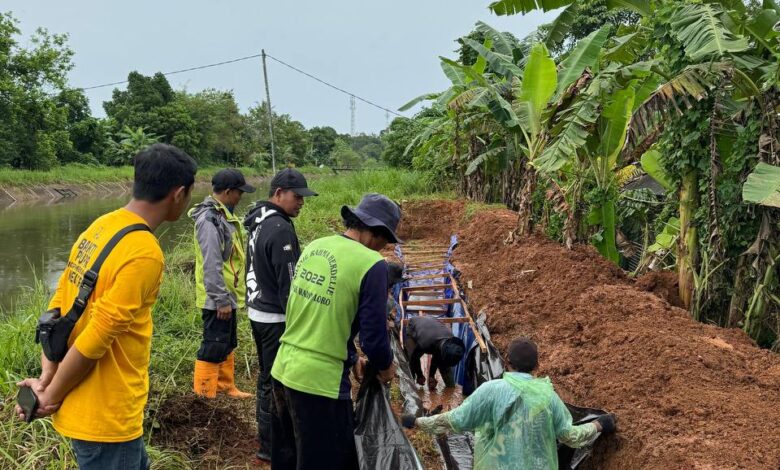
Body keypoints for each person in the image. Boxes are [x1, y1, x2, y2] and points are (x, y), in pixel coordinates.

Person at [15, 144, 198, 470]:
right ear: (179, 193)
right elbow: (98, 335)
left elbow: (58, 306)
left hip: (90, 406)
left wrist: (47, 379)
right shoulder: (144, 251)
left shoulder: (101, 225)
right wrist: (51, 395)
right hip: (107, 414)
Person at [270, 193, 401, 470]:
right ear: (377, 232)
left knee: (288, 456)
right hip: (319, 383)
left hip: (283, 369)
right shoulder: (371, 264)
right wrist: (386, 367)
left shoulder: (316, 246)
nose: (383, 247)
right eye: (386, 239)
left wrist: (352, 359)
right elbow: (374, 338)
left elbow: (318, 312)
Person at [402, 337, 617, 470]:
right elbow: (570, 436)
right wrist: (600, 425)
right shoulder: (549, 397)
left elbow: (453, 420)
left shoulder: (491, 390)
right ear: (537, 366)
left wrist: (417, 421)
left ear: (506, 361)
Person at [243, 168, 317, 461]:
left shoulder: (258, 219)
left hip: (257, 312)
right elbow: (290, 286)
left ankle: (267, 443)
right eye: (297, 196)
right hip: (275, 318)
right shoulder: (281, 228)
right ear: (278, 193)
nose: (301, 202)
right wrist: (301, 327)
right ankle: (276, 447)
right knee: (279, 383)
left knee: (266, 379)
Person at [189, 169, 256, 399]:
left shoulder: (224, 215)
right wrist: (220, 300)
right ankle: (204, 395)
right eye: (239, 193)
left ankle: (226, 386)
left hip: (228, 294)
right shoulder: (209, 220)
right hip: (217, 298)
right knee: (213, 343)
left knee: (227, 342)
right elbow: (211, 263)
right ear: (228, 192)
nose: (241, 197)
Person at [404, 316, 465, 390]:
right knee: (411, 361)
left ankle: (450, 387)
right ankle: (410, 388)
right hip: (413, 325)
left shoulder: (451, 340)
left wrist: (431, 376)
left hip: (431, 324)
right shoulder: (425, 344)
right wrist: (419, 375)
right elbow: (414, 358)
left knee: (444, 366)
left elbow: (437, 357)